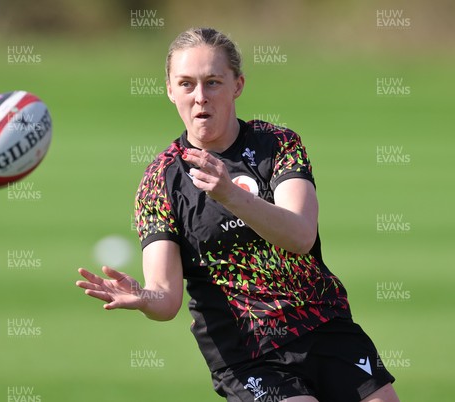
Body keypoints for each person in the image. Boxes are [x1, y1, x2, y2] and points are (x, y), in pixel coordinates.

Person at [76, 27, 400, 402]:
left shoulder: (277, 144)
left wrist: (229, 193)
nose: (200, 98)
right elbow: (166, 298)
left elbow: (300, 235)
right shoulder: (159, 182)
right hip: (247, 351)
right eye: (186, 84)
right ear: (169, 90)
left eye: (213, 82)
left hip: (323, 323)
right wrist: (143, 297)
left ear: (238, 85)